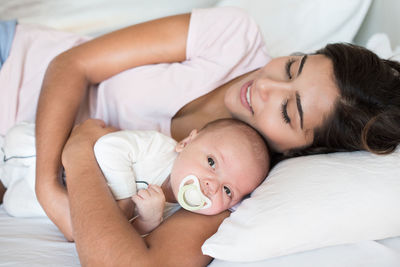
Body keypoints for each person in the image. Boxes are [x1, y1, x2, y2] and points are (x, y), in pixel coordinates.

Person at [0, 5, 399, 266]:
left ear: (303, 151)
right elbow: (72, 64)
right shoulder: (232, 38)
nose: (265, 88)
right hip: (13, 59)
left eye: (288, 111)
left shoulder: (232, 181)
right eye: (293, 67)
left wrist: (81, 156)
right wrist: (47, 185)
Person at [0, 119, 269, 235]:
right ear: (186, 143)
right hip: (48, 156)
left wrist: (147, 221)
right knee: (14, 146)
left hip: (60, 195)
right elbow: (109, 147)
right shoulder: (156, 147)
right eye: (211, 162)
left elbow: (125, 231)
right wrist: (126, 200)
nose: (212, 185)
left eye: (228, 191)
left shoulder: (175, 212)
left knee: (15, 204)